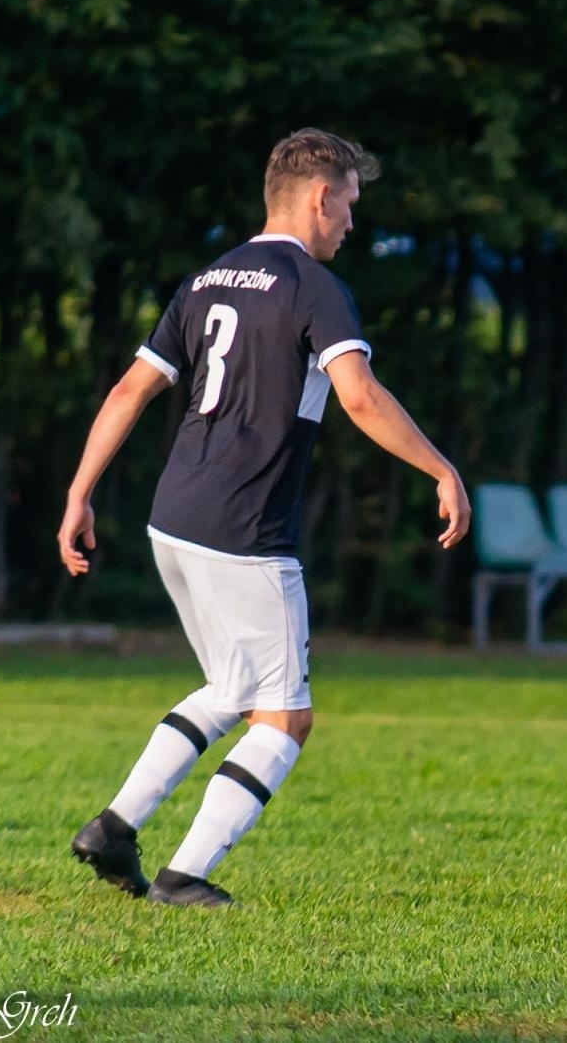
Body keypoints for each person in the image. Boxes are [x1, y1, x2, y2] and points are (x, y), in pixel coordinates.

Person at [60, 128, 471, 907]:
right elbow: (358, 395)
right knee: (285, 718)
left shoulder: (209, 278)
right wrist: (440, 467)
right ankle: (185, 877)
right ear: (321, 197)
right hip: (246, 530)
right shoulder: (311, 285)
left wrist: (79, 493)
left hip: (172, 519)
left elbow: (127, 393)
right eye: (350, 204)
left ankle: (115, 828)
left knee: (231, 686)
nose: (353, 222)